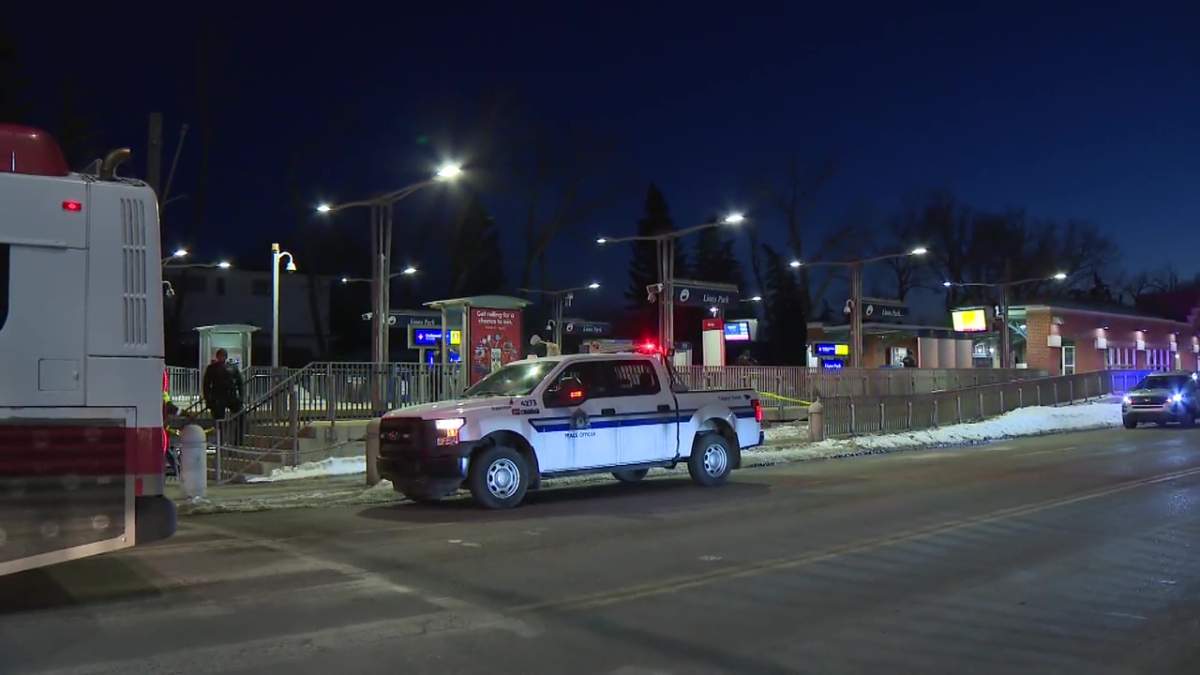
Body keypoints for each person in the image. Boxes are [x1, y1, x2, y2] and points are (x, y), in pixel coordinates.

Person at [203, 349, 244, 442]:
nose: (222, 358)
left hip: (231, 397)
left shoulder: (232, 367)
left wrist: (241, 397)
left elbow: (239, 382)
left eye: (223, 356)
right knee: (219, 421)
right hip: (218, 398)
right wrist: (208, 400)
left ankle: (238, 441)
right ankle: (220, 442)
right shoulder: (212, 368)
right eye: (220, 356)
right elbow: (206, 385)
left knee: (240, 416)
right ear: (217, 357)